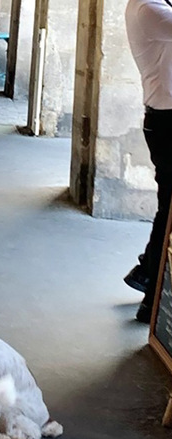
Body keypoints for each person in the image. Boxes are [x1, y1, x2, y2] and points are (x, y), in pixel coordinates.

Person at [125, 0, 172, 323]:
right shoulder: (149, 8)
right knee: (169, 209)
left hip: (164, 119)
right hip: (167, 122)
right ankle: (152, 295)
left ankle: (146, 274)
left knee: (168, 206)